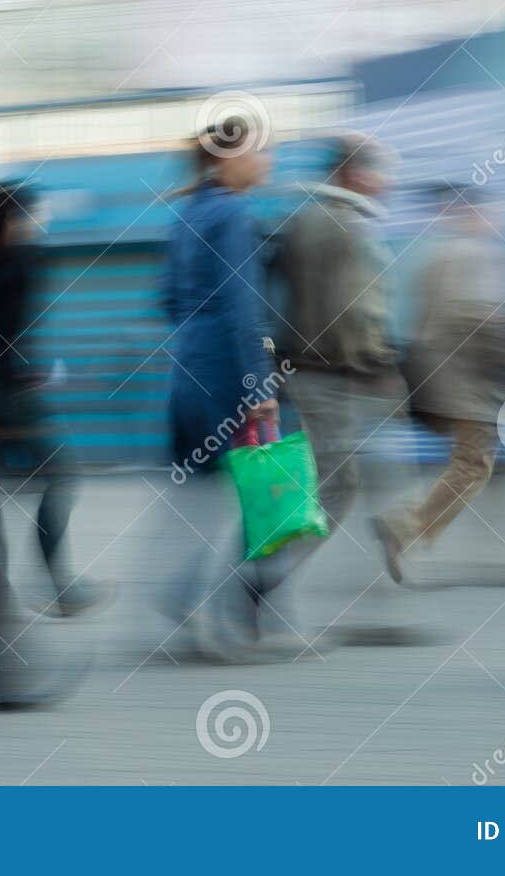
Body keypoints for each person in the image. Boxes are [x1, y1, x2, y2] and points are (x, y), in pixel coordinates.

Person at [157, 117, 278, 655]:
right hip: (226, 378)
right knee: (244, 499)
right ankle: (200, 609)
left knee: (203, 497)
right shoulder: (233, 214)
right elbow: (241, 308)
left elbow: (165, 298)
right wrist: (259, 384)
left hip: (186, 372)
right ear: (230, 159)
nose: (268, 161)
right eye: (262, 152)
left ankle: (184, 597)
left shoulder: (187, 213)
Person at [0, 181, 109, 616]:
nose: (39, 223)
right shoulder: (24, 262)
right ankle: (58, 588)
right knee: (62, 475)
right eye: (32, 215)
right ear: (11, 219)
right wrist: (21, 373)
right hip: (9, 394)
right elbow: (4, 334)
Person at [372, 186, 505, 583]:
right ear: (476, 214)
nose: (499, 219)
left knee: (481, 464)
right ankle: (403, 525)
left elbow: (418, 323)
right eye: (494, 212)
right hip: (470, 382)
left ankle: (503, 551)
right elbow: (485, 319)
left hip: (441, 380)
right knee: (473, 465)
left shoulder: (430, 256)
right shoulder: (478, 255)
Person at [272, 133, 400, 575]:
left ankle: (259, 590)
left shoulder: (305, 218)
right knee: (336, 488)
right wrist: (377, 361)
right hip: (334, 373)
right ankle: (255, 588)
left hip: (307, 370)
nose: (387, 181)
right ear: (354, 172)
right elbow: (355, 307)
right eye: (381, 170)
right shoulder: (347, 223)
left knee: (346, 479)